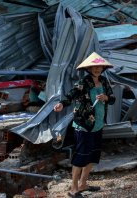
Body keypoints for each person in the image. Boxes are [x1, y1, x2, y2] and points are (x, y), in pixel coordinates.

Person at [53, 52, 116, 198]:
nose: (97, 69)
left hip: (98, 124)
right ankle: (73, 188)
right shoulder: (83, 82)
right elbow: (71, 95)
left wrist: (106, 97)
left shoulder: (104, 81)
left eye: (99, 66)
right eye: (94, 67)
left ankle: (83, 183)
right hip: (84, 124)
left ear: (103, 67)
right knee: (81, 156)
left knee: (93, 155)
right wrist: (62, 104)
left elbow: (112, 98)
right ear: (89, 68)